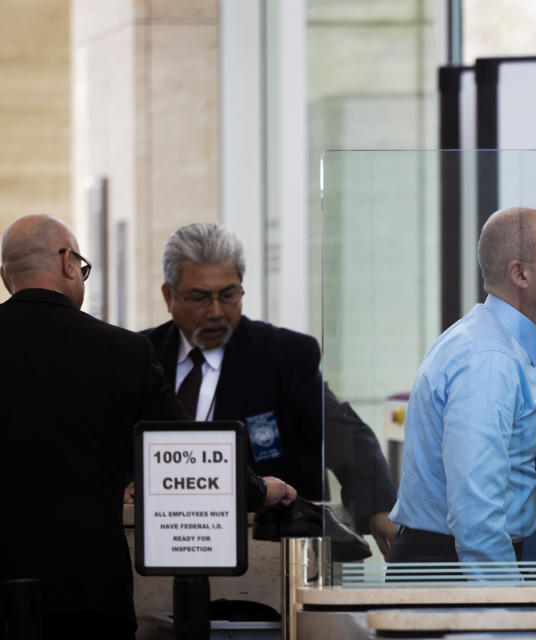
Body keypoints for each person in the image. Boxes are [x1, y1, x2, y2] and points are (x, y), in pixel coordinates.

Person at [0, 214, 295, 640]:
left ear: (7, 277)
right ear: (68, 262)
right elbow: (185, 454)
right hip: (88, 596)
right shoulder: (123, 352)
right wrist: (260, 490)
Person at [142, 222, 397, 557]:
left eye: (229, 294)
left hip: (268, 564)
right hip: (161, 553)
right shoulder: (140, 357)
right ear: (168, 295)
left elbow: (346, 437)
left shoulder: (283, 357)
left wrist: (379, 509)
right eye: (200, 297)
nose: (217, 311)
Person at [389, 206, 536, 567]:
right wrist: (505, 611)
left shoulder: (494, 345)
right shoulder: (489, 359)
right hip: (455, 568)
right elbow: (476, 519)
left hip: (459, 561)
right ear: (521, 274)